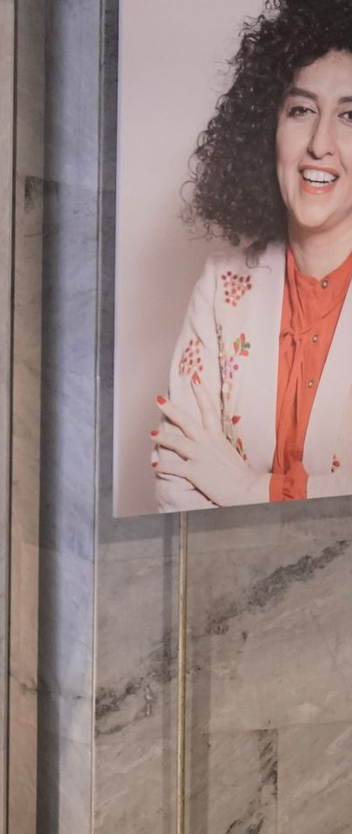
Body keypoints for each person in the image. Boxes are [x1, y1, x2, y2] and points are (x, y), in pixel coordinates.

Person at [153, 0, 352, 510]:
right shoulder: (221, 288)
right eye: (302, 110)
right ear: (269, 126)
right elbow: (175, 483)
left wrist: (248, 489)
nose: (320, 144)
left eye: (350, 116)